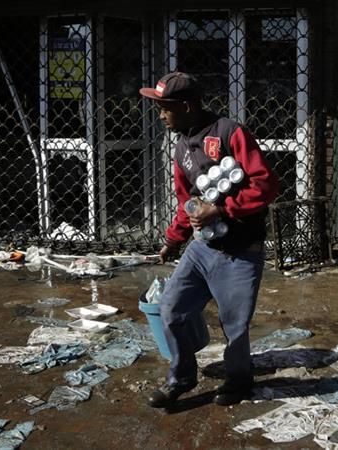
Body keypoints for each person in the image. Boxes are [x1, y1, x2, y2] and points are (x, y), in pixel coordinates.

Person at [138, 72, 279, 407]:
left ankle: (239, 380)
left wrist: (221, 209)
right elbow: (186, 201)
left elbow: (267, 183)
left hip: (241, 251)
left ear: (186, 106)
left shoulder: (230, 133)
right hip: (202, 248)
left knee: (235, 326)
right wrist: (173, 241)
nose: (160, 115)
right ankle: (182, 377)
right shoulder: (181, 147)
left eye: (164, 108)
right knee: (171, 308)